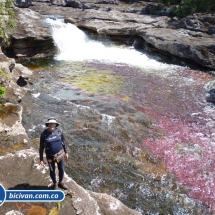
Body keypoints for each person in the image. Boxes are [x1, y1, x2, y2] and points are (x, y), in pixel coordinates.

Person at [39, 117, 69, 190]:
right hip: (50, 156)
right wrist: (41, 159)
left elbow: (64, 142)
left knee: (61, 169)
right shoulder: (44, 134)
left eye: (53, 124)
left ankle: (61, 182)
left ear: (56, 124)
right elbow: (41, 147)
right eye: (50, 124)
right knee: (52, 170)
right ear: (48, 124)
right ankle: (55, 183)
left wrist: (66, 152)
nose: (52, 125)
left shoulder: (60, 131)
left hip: (60, 155)